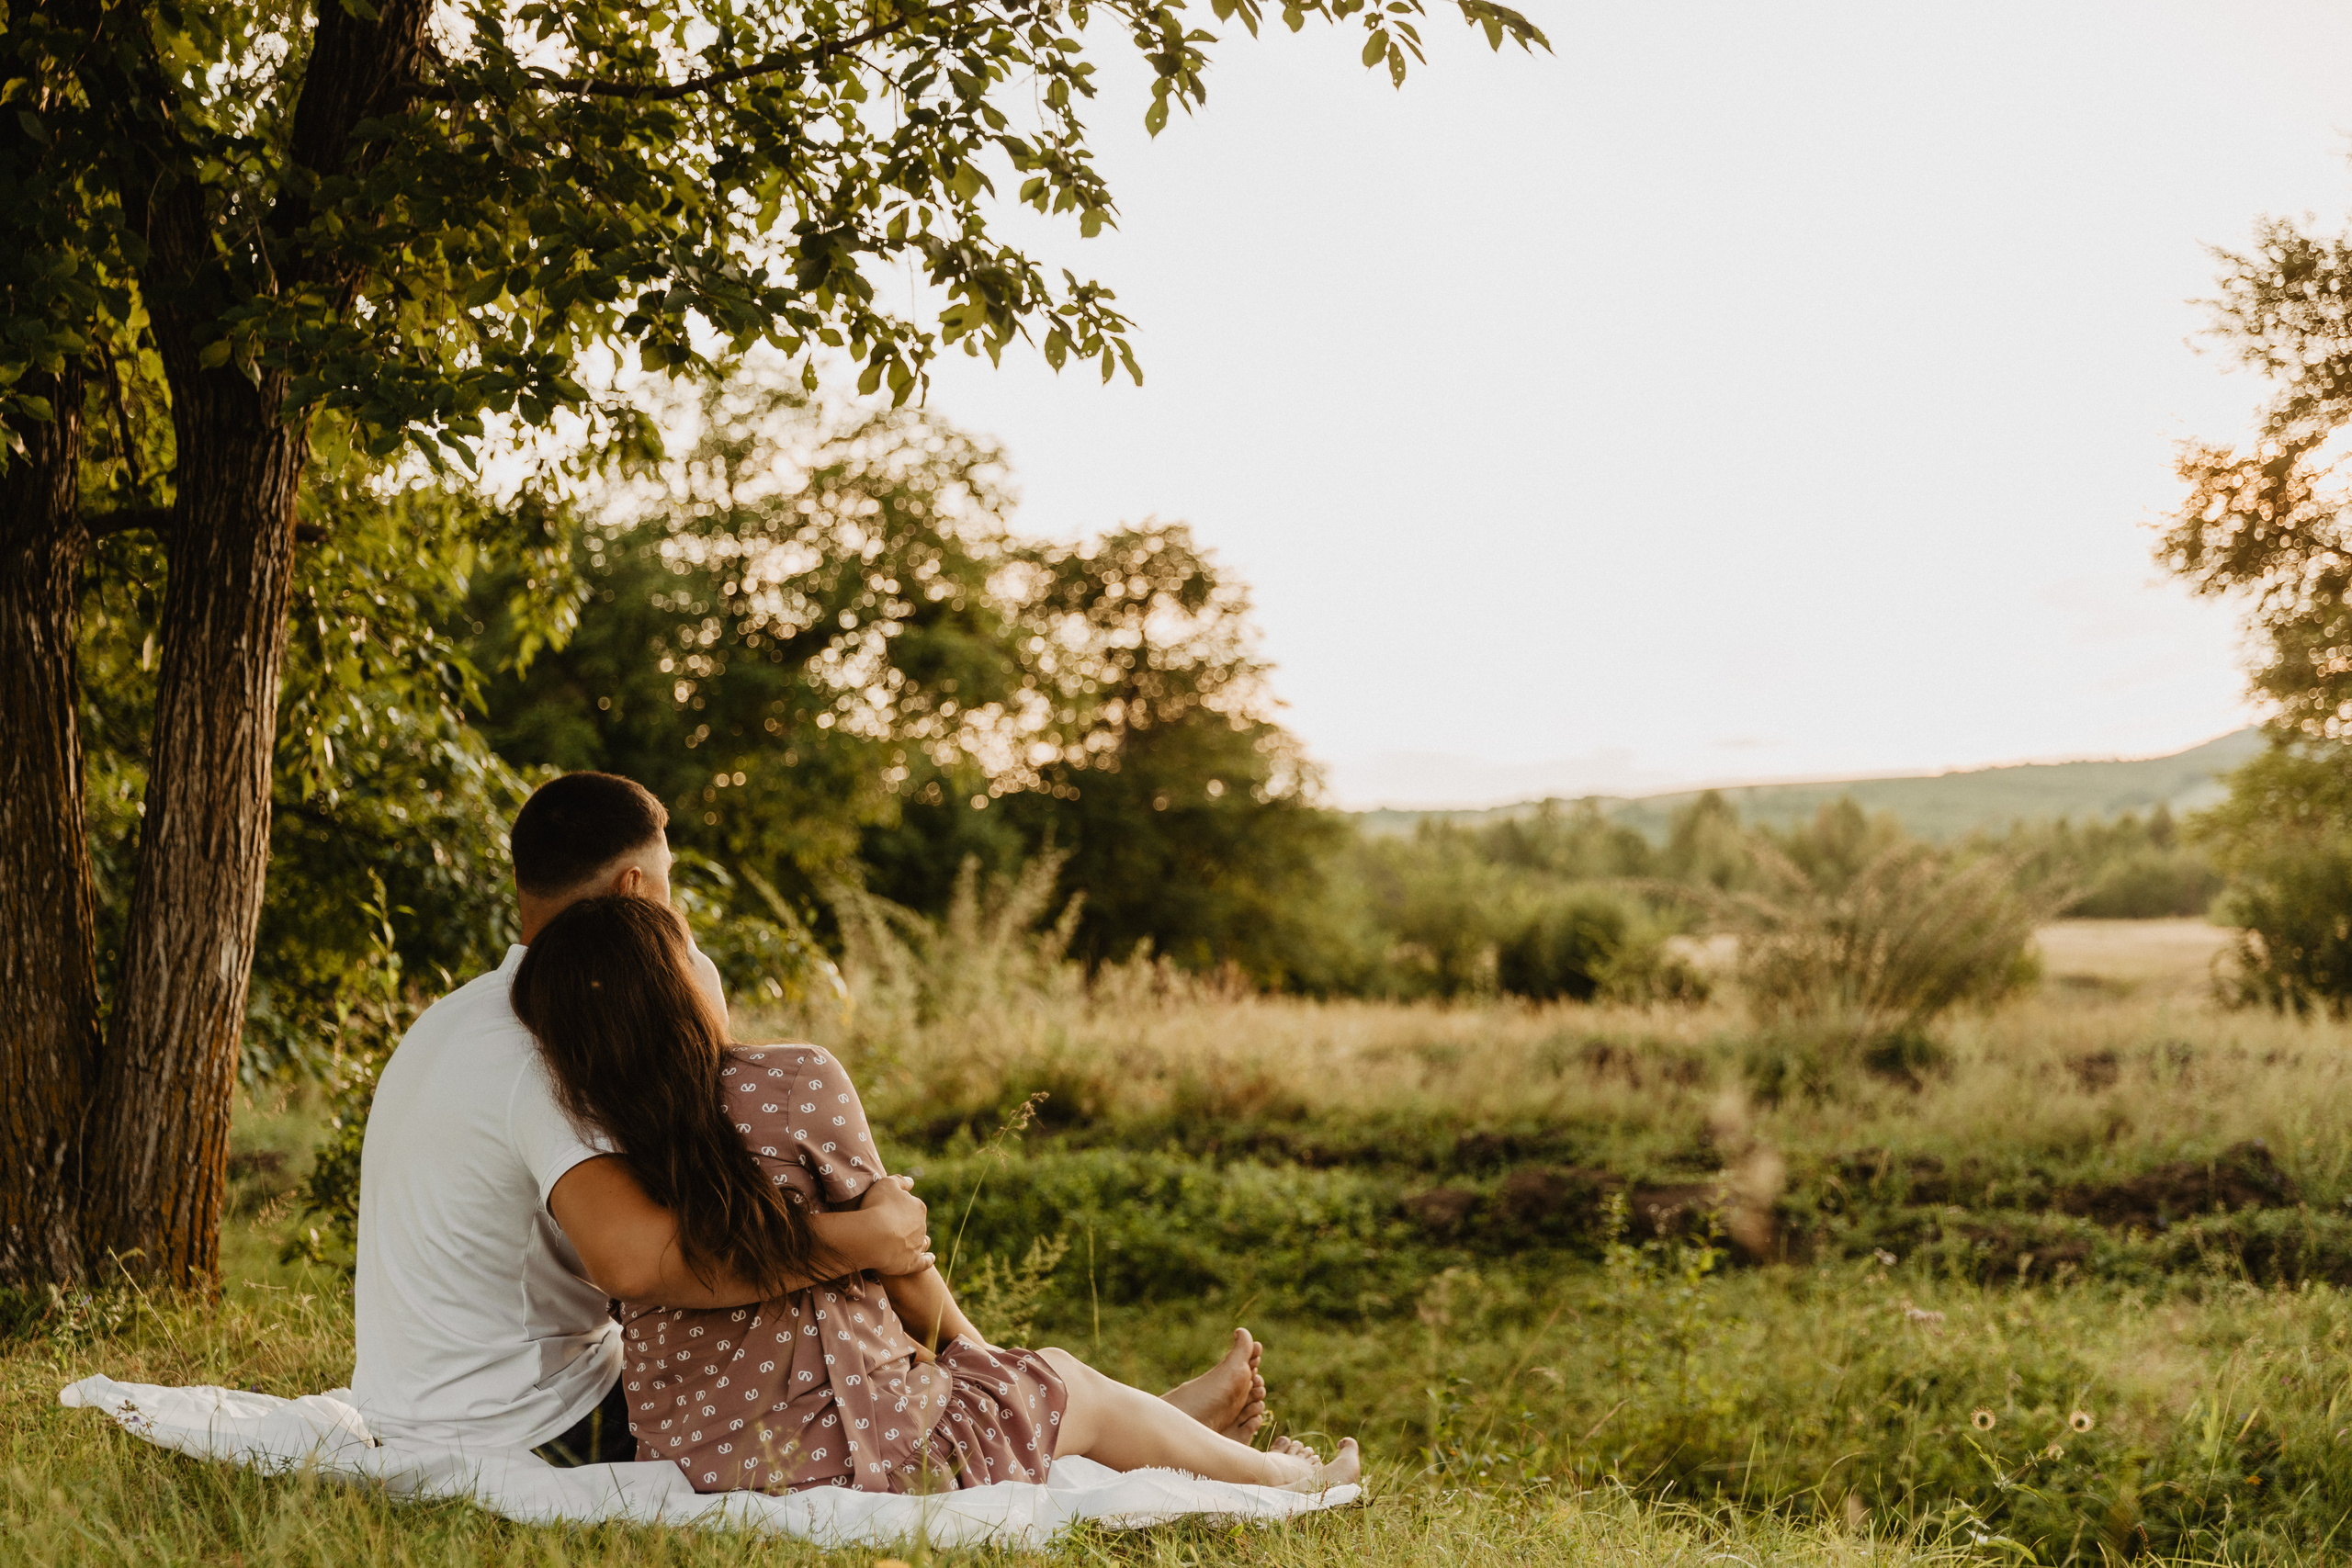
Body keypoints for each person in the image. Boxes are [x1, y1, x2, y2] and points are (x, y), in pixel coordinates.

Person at [349, 770, 1264, 1466]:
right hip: (519, 1430)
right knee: (811, 1217)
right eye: (670, 898)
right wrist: (864, 1240)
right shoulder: (545, 1040)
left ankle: (1071, 1403)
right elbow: (636, 1260)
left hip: (422, 1405)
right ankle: (1039, 1398)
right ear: (635, 891)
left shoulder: (458, 1014)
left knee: (796, 1233)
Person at [510, 894, 1361, 1495]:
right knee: (1061, 1379)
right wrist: (992, 1373)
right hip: (841, 1443)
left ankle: (1169, 1424)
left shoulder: (591, 1134)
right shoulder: (788, 1079)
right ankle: (1294, 1477)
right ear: (677, 985)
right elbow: (900, 1259)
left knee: (1041, 1394)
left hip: (691, 1453)